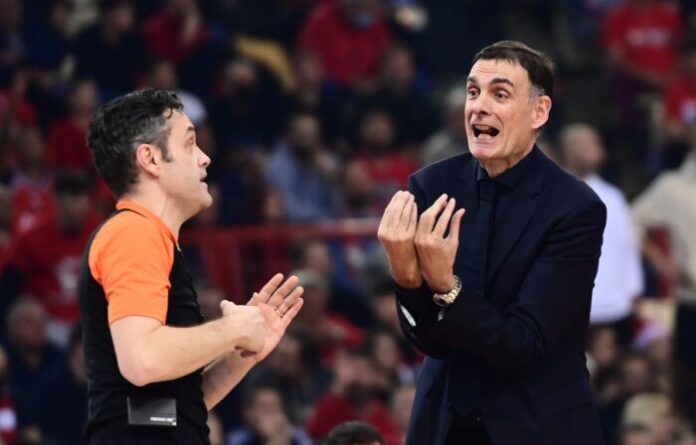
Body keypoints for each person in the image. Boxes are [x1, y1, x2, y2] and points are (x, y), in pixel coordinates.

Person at [377, 41, 607, 444]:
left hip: (536, 427)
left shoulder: (574, 208)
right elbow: (429, 341)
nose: (478, 107)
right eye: (473, 92)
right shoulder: (430, 185)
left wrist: (446, 287)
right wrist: (405, 277)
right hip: (444, 424)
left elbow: (522, 346)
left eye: (499, 94)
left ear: (539, 112)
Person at [80, 89, 304, 444]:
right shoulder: (134, 232)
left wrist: (242, 353)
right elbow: (142, 361)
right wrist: (232, 329)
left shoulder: (149, 237)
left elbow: (174, 408)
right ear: (150, 159)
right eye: (189, 144)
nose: (204, 158)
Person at [558, 123, 643, 344]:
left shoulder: (613, 196)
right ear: (571, 148)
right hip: (565, 308)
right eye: (592, 144)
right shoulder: (551, 191)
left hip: (615, 305)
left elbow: (627, 245)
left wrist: (633, 288)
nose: (600, 151)